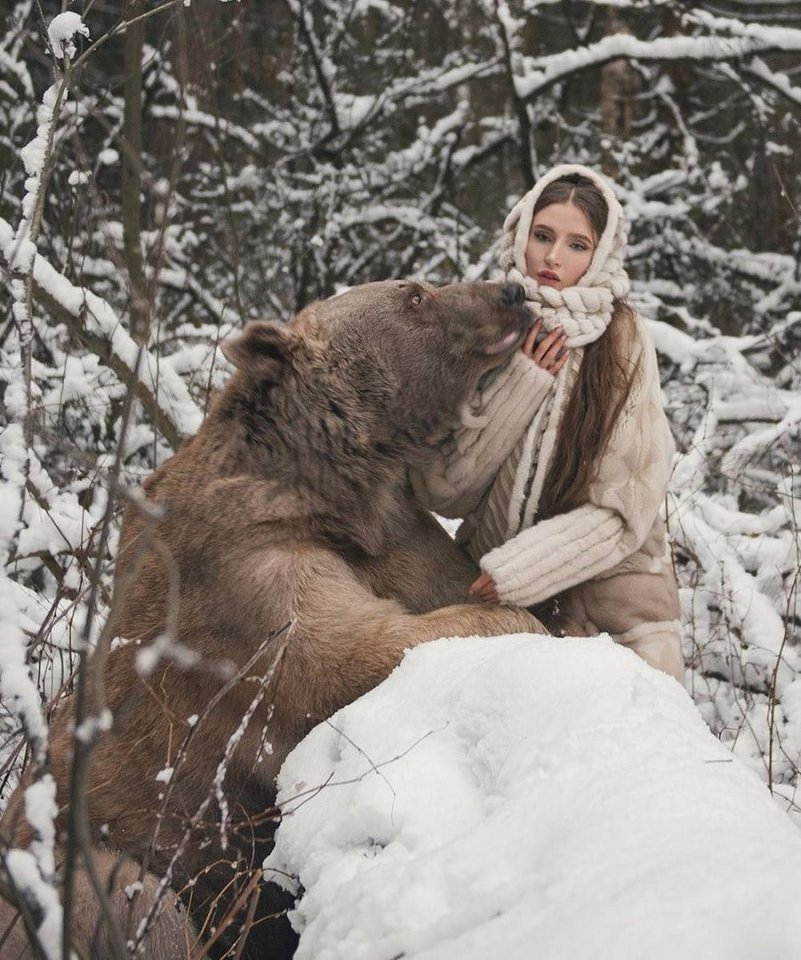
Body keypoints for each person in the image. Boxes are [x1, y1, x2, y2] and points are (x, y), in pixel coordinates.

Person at [411, 163, 684, 681]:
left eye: (577, 245)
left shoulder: (621, 338)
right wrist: (523, 382)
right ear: (520, 234)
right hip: (492, 598)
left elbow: (625, 512)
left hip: (613, 604)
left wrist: (519, 572)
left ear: (600, 254)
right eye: (542, 236)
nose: (553, 258)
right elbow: (440, 488)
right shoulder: (484, 323)